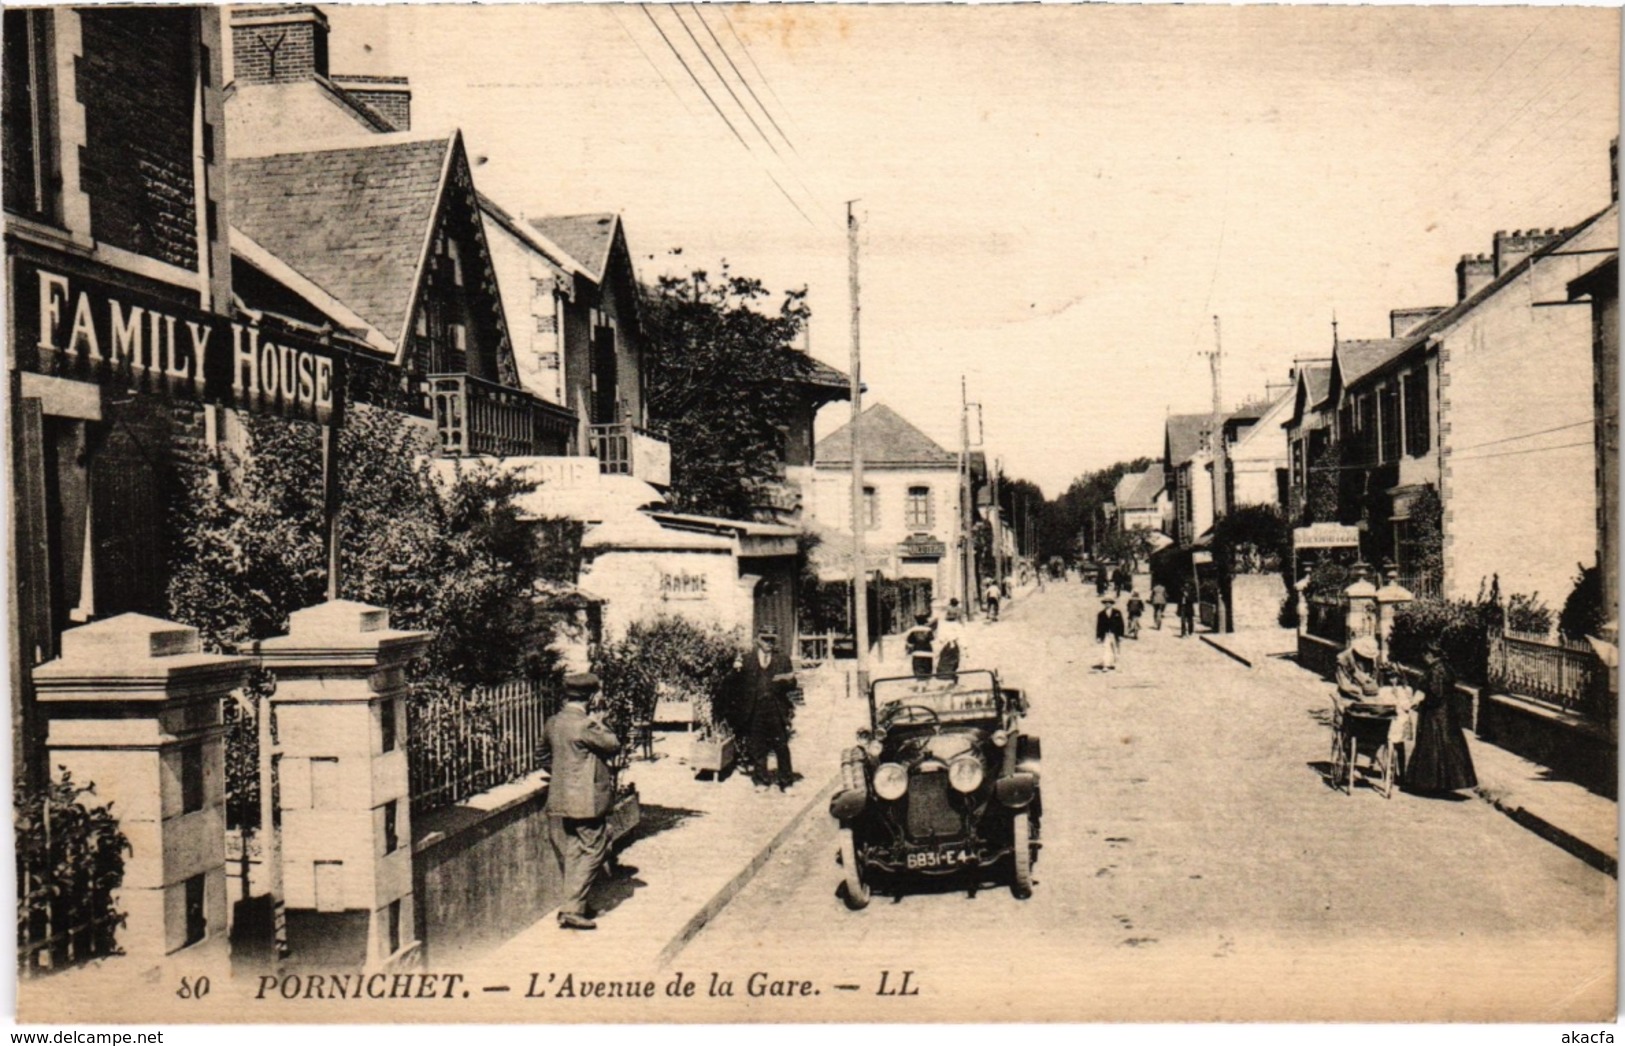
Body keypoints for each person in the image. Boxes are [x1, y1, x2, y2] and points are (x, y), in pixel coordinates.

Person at [543, 672, 621, 931]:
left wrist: (563, 777)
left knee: (575, 850)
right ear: (591, 696)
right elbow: (613, 745)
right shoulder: (586, 725)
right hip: (587, 801)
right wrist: (599, 722)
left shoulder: (554, 722)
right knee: (594, 849)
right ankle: (572, 910)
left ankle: (574, 904)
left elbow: (541, 755)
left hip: (563, 799)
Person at [1405, 639, 1478, 795]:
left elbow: (1435, 693)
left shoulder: (1436, 670)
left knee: (1434, 747)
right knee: (1447, 747)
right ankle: (1442, 783)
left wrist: (1420, 701)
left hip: (1435, 714)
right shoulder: (1446, 668)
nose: (1423, 658)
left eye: (1425, 655)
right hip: (1447, 712)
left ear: (1430, 654)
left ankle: (1432, 784)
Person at [733, 631, 798, 792]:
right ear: (757, 640)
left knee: (781, 746)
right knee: (758, 746)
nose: (769, 643)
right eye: (765, 639)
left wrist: (787, 681)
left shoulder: (782, 659)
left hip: (776, 708)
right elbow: (736, 685)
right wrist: (736, 670)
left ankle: (786, 782)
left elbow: (792, 685)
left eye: (772, 640)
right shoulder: (747, 659)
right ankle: (761, 780)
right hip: (755, 709)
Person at [1335, 635, 1381, 701]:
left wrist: (1371, 684)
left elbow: (1372, 677)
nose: (1367, 659)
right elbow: (1344, 685)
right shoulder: (1343, 660)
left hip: (1368, 695)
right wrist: (1360, 691)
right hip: (1347, 696)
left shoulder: (1371, 659)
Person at [935, 605, 965, 680]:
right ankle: (951, 674)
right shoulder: (957, 625)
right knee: (954, 659)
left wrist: (940, 643)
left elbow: (940, 636)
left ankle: (944, 675)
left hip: (945, 644)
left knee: (944, 659)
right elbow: (961, 636)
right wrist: (964, 646)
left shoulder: (942, 625)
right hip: (954, 644)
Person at [1095, 595, 1125, 670]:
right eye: (1106, 603)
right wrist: (1098, 636)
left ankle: (1116, 664)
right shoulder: (1101, 614)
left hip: (1115, 634)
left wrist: (1121, 635)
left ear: (1112, 604)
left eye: (1109, 603)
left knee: (1116, 648)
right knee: (1106, 649)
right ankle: (1106, 664)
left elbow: (1121, 624)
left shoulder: (1117, 613)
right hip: (1106, 634)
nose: (1107, 604)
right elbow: (1099, 625)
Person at [904, 611, 936, 680]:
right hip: (927, 652)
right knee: (927, 667)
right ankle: (925, 683)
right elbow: (932, 640)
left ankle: (920, 685)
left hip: (917, 652)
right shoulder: (928, 630)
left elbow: (909, 642)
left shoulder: (913, 630)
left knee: (918, 668)